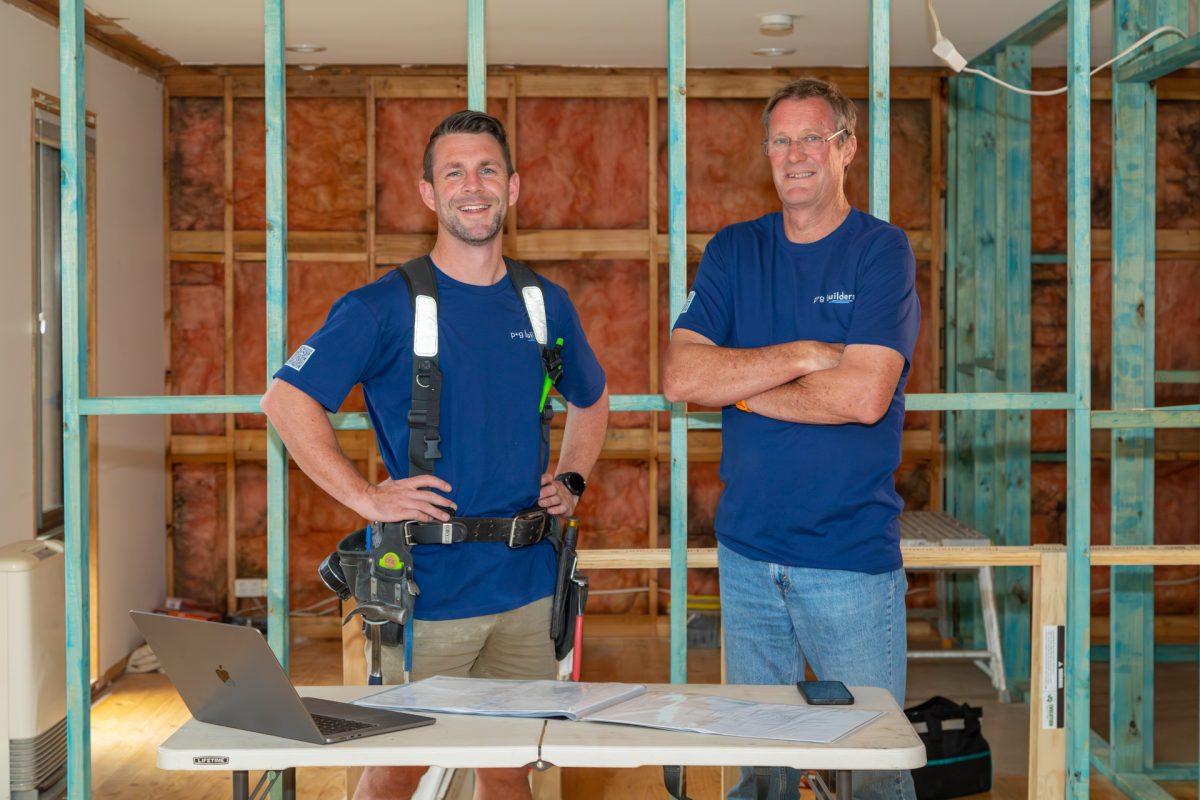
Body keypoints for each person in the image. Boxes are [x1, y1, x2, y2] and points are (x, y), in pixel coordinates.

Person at [261, 110, 609, 800]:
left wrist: (571, 476)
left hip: (528, 585)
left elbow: (592, 400)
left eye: (486, 170)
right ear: (428, 193)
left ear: (513, 188)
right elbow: (285, 400)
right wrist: (366, 497)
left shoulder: (545, 305)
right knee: (397, 765)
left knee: (509, 767)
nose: (471, 186)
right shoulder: (383, 306)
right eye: (454, 172)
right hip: (427, 591)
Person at [662, 77, 920, 800]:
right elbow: (682, 377)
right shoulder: (735, 251)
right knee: (760, 769)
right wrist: (807, 352)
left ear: (847, 150)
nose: (796, 153)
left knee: (872, 766)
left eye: (814, 137)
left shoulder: (881, 252)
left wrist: (738, 383)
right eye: (782, 139)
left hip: (849, 563)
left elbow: (866, 397)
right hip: (747, 558)